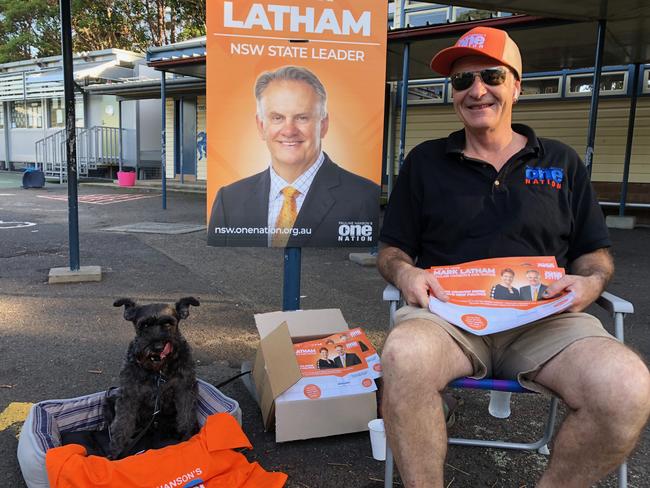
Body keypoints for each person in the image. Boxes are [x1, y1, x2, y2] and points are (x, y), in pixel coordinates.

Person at [377, 26, 650, 487]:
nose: (476, 90)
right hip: (449, 320)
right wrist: (404, 272)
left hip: (546, 321)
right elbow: (392, 249)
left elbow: (594, 254)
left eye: (491, 76)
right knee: (404, 356)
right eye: (462, 81)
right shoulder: (424, 162)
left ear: (517, 86)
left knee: (626, 386)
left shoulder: (561, 162)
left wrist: (591, 283)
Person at [207, 65, 380, 247]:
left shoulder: (365, 198)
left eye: (302, 117)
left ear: (324, 124)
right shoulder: (229, 199)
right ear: (260, 126)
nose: (289, 131)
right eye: (277, 118)